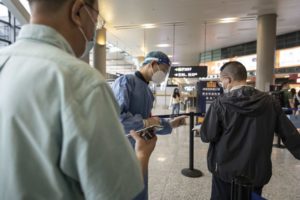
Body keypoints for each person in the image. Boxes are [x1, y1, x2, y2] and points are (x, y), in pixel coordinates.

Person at [0, 0, 157, 199]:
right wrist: (142, 155)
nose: (93, 30)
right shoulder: (83, 83)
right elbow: (116, 194)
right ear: (77, 12)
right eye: (96, 17)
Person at [200, 61, 300, 200]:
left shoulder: (220, 103)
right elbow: (289, 134)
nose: (221, 83)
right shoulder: (270, 102)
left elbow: (207, 135)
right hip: (256, 171)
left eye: (221, 80)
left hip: (224, 170)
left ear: (228, 79)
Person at [111, 51, 187, 200]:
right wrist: (145, 122)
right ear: (153, 64)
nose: (164, 74)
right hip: (123, 150)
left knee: (140, 190)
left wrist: (170, 125)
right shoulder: (126, 81)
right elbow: (116, 118)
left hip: (142, 150)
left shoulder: (148, 91)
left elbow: (150, 123)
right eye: (163, 70)